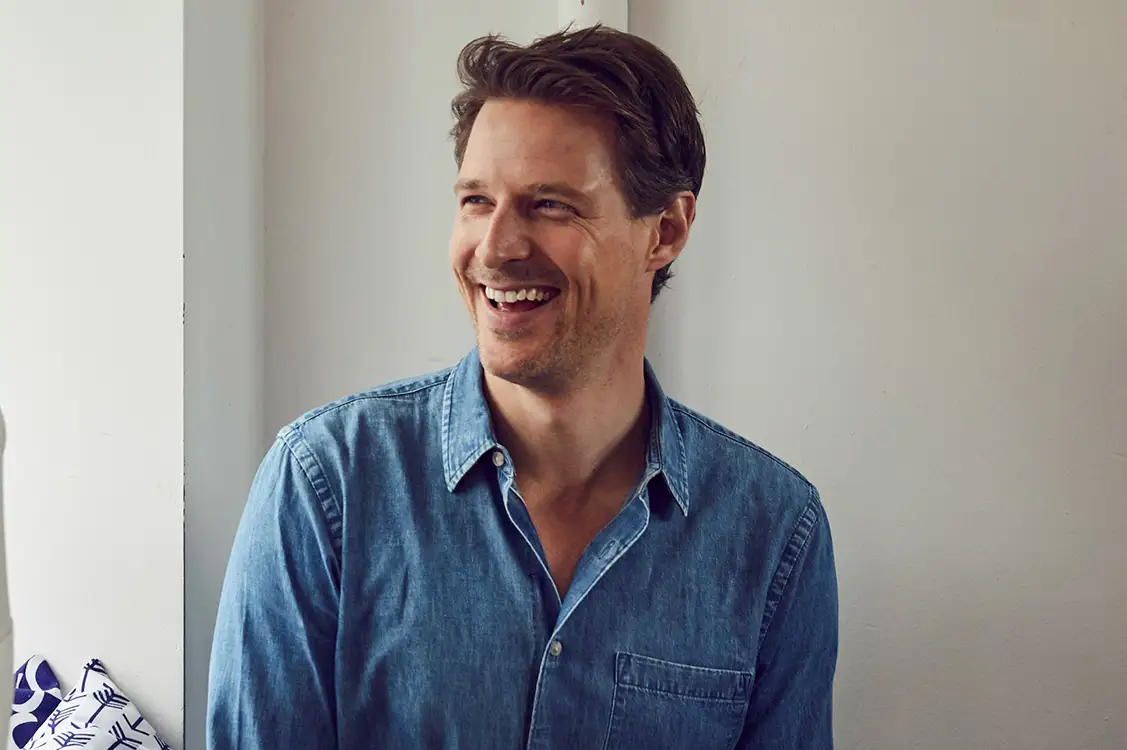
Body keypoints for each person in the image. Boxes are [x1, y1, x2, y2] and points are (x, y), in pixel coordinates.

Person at [207, 24, 837, 750]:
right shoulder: (327, 483)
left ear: (664, 230)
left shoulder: (773, 531)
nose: (496, 248)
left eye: (549, 205)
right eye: (477, 200)